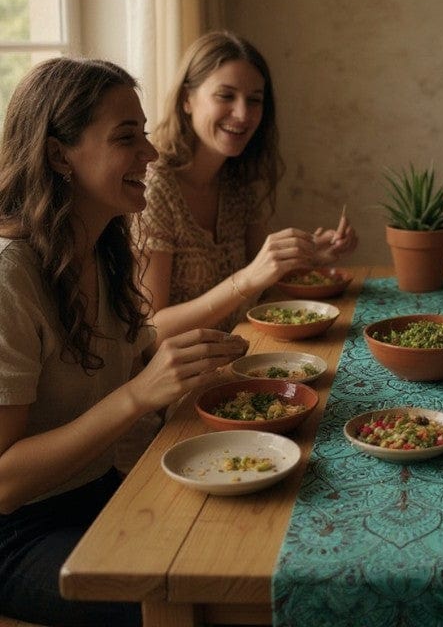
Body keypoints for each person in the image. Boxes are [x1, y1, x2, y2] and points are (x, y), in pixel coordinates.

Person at [0, 58, 248, 626]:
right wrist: (138, 394)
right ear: (59, 155)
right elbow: (5, 483)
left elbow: (131, 353)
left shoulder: (102, 246)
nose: (151, 154)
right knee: (201, 606)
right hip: (18, 534)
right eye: (126, 138)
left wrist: (201, 363)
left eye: (145, 134)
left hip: (102, 491)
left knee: (244, 551)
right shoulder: (10, 275)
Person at [139, 31, 358, 339]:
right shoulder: (154, 187)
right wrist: (246, 279)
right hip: (185, 367)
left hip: (244, 349)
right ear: (187, 99)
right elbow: (150, 331)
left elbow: (264, 277)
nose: (243, 114)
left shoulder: (238, 182)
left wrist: (309, 256)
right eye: (225, 96)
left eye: (254, 100)